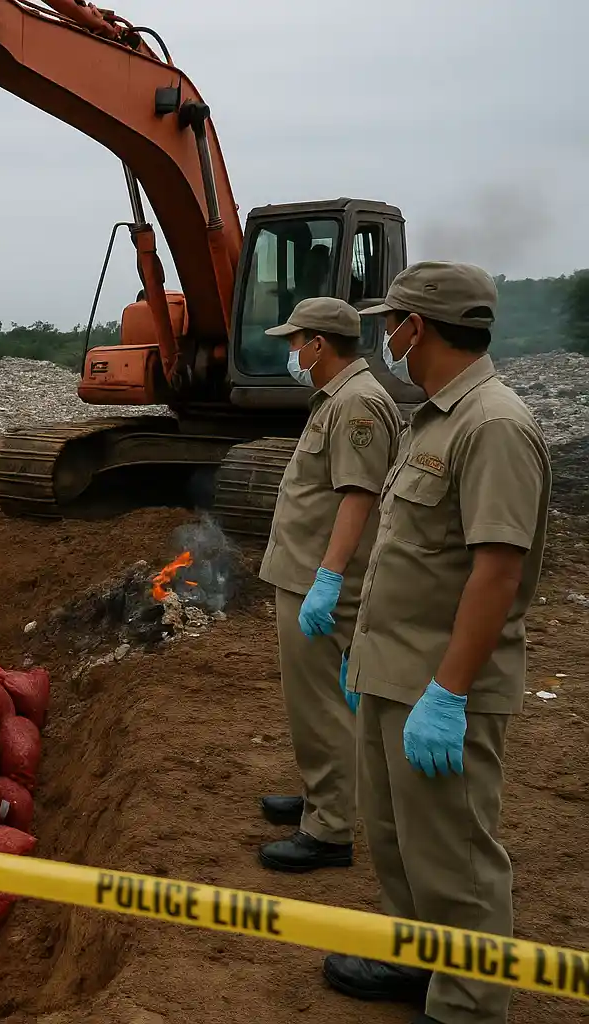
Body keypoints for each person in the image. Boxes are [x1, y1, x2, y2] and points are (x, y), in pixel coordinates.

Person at [323, 262, 551, 1024]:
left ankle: (469, 1003)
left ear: (416, 328)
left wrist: (449, 693)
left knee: (454, 856)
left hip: (439, 685)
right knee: (396, 840)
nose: (385, 337)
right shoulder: (436, 417)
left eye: (391, 322)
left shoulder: (494, 424)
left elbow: (497, 571)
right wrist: (367, 657)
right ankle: (415, 959)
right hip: (394, 672)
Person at [255, 297, 400, 872]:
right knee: (315, 700)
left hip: (320, 580)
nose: (292, 351)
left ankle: (331, 828)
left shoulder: (358, 402)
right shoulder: (338, 399)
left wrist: (328, 576)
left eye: (296, 341)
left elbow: (359, 495)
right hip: (304, 572)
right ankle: (322, 795)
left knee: (321, 703)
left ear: (319, 343)